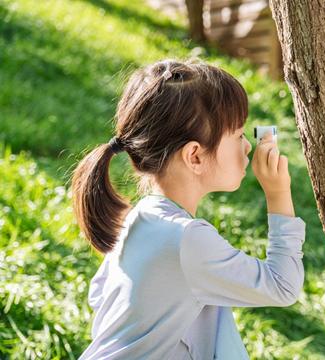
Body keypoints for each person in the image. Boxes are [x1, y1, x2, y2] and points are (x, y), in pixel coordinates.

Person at [70, 58, 306, 359]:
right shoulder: (188, 238)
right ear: (194, 156)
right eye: (237, 135)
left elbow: (100, 295)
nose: (248, 146)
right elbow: (282, 285)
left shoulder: (138, 219)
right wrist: (278, 193)